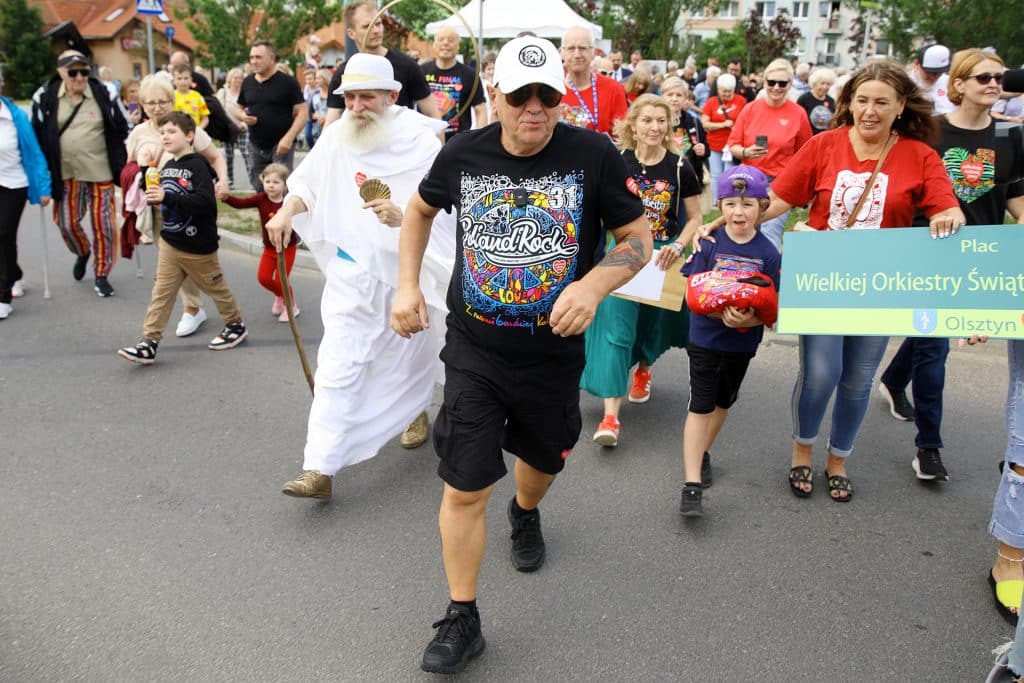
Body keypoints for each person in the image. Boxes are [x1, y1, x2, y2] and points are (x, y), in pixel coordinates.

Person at [389, 35, 650, 674]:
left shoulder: (592, 155)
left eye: (549, 96)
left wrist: (593, 284)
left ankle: (526, 510)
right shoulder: (463, 153)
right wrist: (406, 285)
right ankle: (462, 615)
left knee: (542, 461)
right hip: (474, 348)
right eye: (521, 95)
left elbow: (637, 240)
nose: (535, 108)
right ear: (496, 94)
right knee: (463, 484)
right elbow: (418, 213)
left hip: (552, 356)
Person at [713, 61, 965, 501]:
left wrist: (947, 215)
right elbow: (774, 200)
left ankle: (839, 457)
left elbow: (946, 206)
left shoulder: (919, 155)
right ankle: (802, 450)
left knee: (858, 379)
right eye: (862, 100)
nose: (870, 110)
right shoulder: (824, 145)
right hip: (823, 281)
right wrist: (726, 221)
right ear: (850, 102)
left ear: (900, 106)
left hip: (881, 286)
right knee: (820, 375)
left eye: (881, 102)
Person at [265, 53, 453, 502]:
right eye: (349, 96)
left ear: (392, 95)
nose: (356, 105)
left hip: (408, 275)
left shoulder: (423, 144)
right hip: (353, 270)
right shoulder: (336, 137)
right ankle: (320, 467)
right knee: (339, 363)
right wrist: (287, 210)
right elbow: (308, 183)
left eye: (366, 96)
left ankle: (414, 411)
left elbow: (446, 214)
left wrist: (403, 215)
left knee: (409, 360)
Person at [878, 49, 1024, 485]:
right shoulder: (930, 133)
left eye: (998, 77)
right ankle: (929, 446)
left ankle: (893, 378)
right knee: (935, 347)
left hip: (982, 258)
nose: (993, 84)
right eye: (982, 77)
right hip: (932, 252)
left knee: (930, 337)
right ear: (958, 84)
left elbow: (1015, 200)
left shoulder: (1011, 137)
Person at [582, 94, 702, 447]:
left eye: (661, 121)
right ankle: (610, 417)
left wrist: (679, 246)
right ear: (632, 125)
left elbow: (695, 217)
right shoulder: (615, 161)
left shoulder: (680, 167)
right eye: (647, 120)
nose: (654, 127)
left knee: (650, 326)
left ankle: (645, 368)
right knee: (616, 331)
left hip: (662, 257)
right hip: (622, 252)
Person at [678, 166, 781, 517]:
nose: (739, 212)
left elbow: (774, 307)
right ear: (720, 206)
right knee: (701, 403)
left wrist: (752, 317)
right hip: (705, 338)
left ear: (762, 207)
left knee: (724, 400)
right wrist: (718, 313)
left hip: (741, 343)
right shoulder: (708, 243)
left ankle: (703, 451)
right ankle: (691, 484)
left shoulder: (769, 253)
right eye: (731, 204)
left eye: (748, 204)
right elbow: (693, 291)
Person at [117, 112, 248, 364]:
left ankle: (235, 324)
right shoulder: (167, 165)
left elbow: (205, 203)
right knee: (161, 292)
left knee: (215, 288)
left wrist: (168, 197)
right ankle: (149, 342)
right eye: (162, 132)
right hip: (170, 241)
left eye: (171, 131)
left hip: (197, 245)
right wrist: (145, 170)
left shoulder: (198, 166)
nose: (165, 136)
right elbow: (156, 195)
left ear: (189, 136)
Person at [126, 75, 230, 337]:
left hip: (191, 208)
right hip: (159, 209)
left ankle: (211, 313)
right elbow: (128, 170)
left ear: (172, 101)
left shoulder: (183, 126)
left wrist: (224, 181)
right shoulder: (139, 133)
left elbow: (215, 156)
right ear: (142, 104)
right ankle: (188, 312)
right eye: (150, 102)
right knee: (171, 264)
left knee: (197, 264)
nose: (157, 107)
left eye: (162, 101)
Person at [31, 49, 128, 297]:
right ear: (61, 71)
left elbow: (123, 125)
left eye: (84, 71)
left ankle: (102, 273)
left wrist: (124, 159)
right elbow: (37, 136)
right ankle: (83, 251)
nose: (79, 77)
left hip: (100, 169)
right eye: (72, 72)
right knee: (66, 223)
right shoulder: (44, 97)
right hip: (64, 172)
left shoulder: (104, 92)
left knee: (103, 224)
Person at [727, 58, 813, 250]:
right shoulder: (750, 109)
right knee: (745, 229)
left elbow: (806, 153)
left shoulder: (798, 113)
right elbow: (733, 144)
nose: (776, 87)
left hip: (780, 183)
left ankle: (768, 277)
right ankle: (743, 273)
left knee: (770, 231)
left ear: (790, 84)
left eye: (782, 83)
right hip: (749, 180)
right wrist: (745, 151)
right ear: (764, 82)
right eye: (771, 82)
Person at [323, 1, 439, 128]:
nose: (376, 30)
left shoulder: (407, 66)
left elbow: (433, 114)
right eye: (367, 26)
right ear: (351, 33)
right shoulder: (344, 73)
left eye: (378, 24)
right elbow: (330, 125)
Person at [222, 163, 299, 322]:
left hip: (287, 248)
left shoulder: (289, 203)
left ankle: (291, 306)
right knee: (263, 278)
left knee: (280, 280)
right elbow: (241, 203)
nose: (271, 185)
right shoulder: (260, 199)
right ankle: (280, 296)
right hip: (269, 249)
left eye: (276, 182)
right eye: (267, 181)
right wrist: (226, 197)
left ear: (285, 185)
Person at [0, 93, 51, 319]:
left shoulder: (15, 117)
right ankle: (14, 273)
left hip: (13, 183)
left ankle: (3, 296)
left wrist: (43, 187)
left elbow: (34, 153)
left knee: (3, 233)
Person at [235, 40, 308, 191]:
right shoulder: (248, 82)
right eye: (252, 57)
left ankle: (283, 214)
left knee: (281, 187)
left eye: (258, 57)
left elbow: (303, 112)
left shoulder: (288, 82)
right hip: (255, 145)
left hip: (281, 145)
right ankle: (265, 215)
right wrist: (242, 116)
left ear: (272, 58)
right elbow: (238, 107)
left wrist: (289, 138)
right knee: (259, 186)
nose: (254, 61)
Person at [559, 26, 628, 136]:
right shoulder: (553, 90)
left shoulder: (614, 89)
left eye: (582, 48)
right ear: (562, 53)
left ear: (593, 53)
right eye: (571, 48)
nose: (577, 54)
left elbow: (623, 138)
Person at [421, 26, 487, 141]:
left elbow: (480, 110)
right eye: (441, 40)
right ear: (434, 45)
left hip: (459, 143)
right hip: (426, 140)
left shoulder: (470, 75)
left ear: (458, 46)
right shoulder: (421, 72)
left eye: (451, 40)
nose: (446, 43)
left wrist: (479, 140)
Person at [701, 73, 746, 202]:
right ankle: (716, 200)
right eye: (723, 91)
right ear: (718, 89)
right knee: (716, 174)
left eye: (729, 91)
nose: (726, 94)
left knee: (729, 174)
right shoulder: (711, 102)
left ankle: (728, 199)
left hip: (732, 145)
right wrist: (723, 124)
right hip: (715, 144)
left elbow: (745, 121)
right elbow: (704, 123)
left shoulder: (740, 101)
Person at [661, 77, 707, 183]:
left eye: (679, 95)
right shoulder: (656, 122)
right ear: (662, 96)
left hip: (688, 178)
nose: (674, 98)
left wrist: (703, 149)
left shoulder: (694, 122)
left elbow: (706, 149)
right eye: (670, 94)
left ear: (685, 98)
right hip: (663, 178)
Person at [217, 68, 250, 188]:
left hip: (242, 128)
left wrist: (244, 124)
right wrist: (230, 124)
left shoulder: (245, 93)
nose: (237, 80)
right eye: (235, 78)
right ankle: (229, 180)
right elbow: (219, 111)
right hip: (228, 128)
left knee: (246, 153)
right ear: (230, 79)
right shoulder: (223, 93)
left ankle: (252, 180)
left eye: (240, 78)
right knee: (228, 155)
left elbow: (249, 111)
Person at [909, 44, 955, 114]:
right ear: (917, 64)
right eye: (929, 72)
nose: (934, 77)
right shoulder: (906, 82)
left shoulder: (950, 82)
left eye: (939, 72)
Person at [797, 67, 836, 135]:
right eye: (822, 83)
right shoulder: (804, 99)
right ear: (814, 83)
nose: (825, 87)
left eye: (828, 84)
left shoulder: (831, 101)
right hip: (808, 138)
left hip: (824, 139)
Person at [172, 64, 209, 129]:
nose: (183, 81)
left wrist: (199, 130)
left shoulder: (197, 96)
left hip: (195, 132)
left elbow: (205, 118)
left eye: (186, 78)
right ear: (174, 81)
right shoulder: (170, 96)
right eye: (179, 78)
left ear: (191, 80)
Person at [307, 69, 330, 148]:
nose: (316, 80)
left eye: (318, 78)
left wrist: (327, 118)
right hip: (318, 131)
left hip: (331, 130)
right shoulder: (315, 94)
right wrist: (317, 116)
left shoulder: (334, 94)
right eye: (316, 78)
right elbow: (310, 113)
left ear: (325, 78)